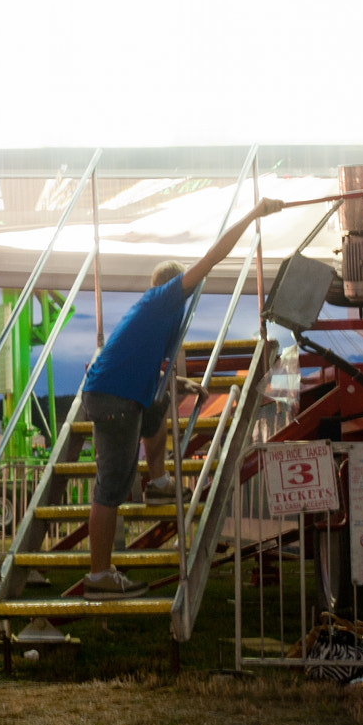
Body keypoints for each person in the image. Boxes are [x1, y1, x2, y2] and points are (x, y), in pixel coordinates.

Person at [77, 198, 284, 598]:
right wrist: (253, 214)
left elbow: (148, 368)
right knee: (111, 486)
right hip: (113, 399)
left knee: (159, 403)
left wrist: (182, 385)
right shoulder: (163, 300)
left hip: (124, 393)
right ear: (175, 286)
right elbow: (214, 256)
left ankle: (157, 480)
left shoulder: (161, 318)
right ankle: (99, 576)